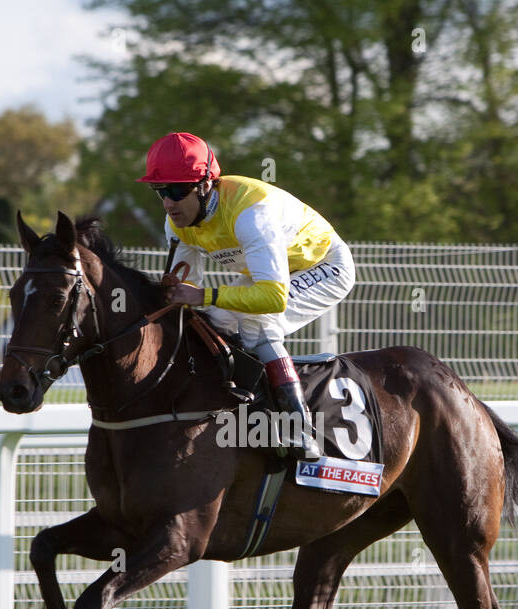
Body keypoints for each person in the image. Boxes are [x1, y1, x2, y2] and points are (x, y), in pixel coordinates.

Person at [139, 131, 356, 460]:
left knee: (259, 323)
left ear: (204, 184)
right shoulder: (177, 223)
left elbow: (272, 298)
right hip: (267, 277)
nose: (169, 202)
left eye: (177, 190)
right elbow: (187, 301)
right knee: (209, 323)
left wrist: (202, 296)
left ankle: (299, 428)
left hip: (326, 266)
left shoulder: (251, 214)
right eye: (160, 191)